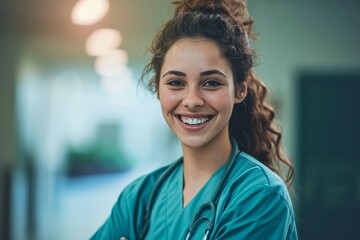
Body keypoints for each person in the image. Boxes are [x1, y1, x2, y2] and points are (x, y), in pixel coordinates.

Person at [90, 0, 298, 239]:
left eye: (211, 83)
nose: (192, 100)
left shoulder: (260, 196)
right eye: (176, 83)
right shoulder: (139, 198)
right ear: (158, 89)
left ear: (240, 90)